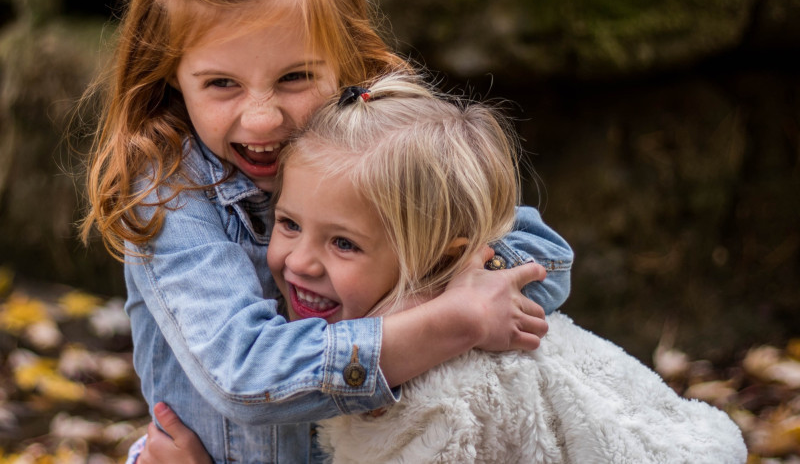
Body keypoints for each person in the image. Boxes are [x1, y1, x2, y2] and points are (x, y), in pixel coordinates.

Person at [79, 0, 573, 462]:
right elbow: (246, 373)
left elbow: (543, 258)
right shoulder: (170, 188)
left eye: (295, 77)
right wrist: (448, 320)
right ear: (172, 76)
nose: (262, 118)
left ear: (344, 58)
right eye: (222, 83)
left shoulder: (377, 147)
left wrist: (432, 294)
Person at [139, 73, 747, 463]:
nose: (298, 261)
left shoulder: (450, 397)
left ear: (444, 260)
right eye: (288, 224)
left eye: (344, 244)